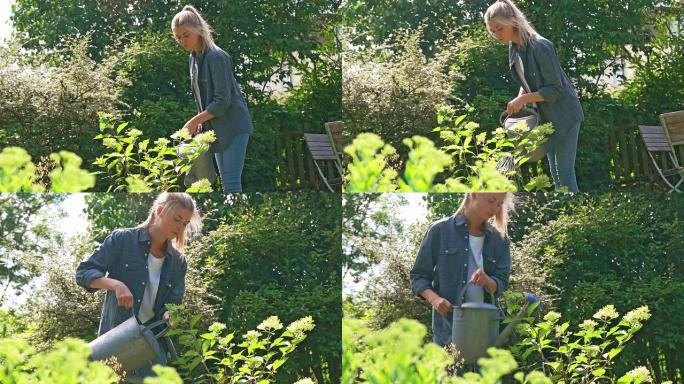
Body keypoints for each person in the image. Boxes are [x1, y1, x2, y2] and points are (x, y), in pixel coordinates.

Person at [76, 193, 201, 379]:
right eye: (177, 219)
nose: (180, 228)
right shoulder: (122, 240)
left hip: (153, 345)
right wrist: (116, 285)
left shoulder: (178, 262)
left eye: (185, 223)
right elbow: (84, 272)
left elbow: (173, 302)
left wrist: (170, 314)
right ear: (159, 211)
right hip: (115, 341)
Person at [485, 0, 584, 192]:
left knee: (565, 175)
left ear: (513, 21)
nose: (496, 35)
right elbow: (527, 83)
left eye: (499, 28)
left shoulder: (541, 46)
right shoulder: (514, 48)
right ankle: (567, 214)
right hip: (548, 119)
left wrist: (523, 99)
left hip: (565, 115)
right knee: (555, 176)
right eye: (492, 31)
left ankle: (576, 215)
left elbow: (556, 89)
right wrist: (519, 98)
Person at [410, 193, 513, 347]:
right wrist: (436, 300)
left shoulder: (500, 240)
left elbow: (502, 284)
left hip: (485, 329)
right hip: (447, 330)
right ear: (473, 194)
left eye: (499, 204)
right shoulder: (440, 230)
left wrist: (488, 281)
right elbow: (419, 276)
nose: (494, 208)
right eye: (491, 200)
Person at [172, 5, 254, 192]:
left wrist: (194, 120)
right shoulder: (193, 58)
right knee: (224, 184)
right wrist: (201, 121)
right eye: (178, 37)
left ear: (198, 30)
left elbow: (222, 101)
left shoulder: (217, 57)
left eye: (186, 35)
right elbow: (202, 98)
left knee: (231, 183)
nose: (182, 40)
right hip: (215, 129)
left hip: (234, 127)